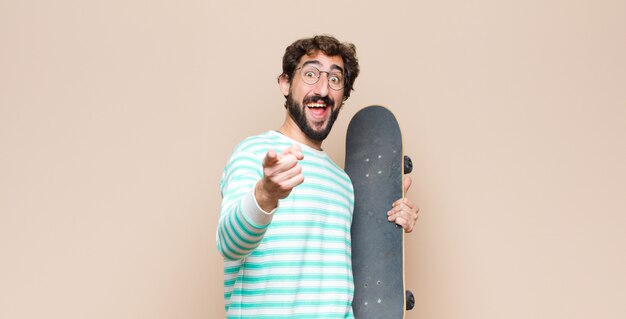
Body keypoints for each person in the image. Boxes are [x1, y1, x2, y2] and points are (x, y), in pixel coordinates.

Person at [217, 35, 419, 318]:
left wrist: (391, 221)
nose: (323, 89)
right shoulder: (253, 152)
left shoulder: (342, 184)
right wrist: (265, 194)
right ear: (285, 83)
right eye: (311, 74)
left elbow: (342, 289)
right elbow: (229, 244)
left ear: (343, 96)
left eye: (335, 79)